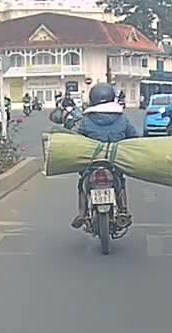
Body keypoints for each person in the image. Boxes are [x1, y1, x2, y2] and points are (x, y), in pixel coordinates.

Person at [71, 82, 140, 229]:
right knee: (120, 182)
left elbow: (76, 139)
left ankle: (82, 214)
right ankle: (123, 210)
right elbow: (134, 136)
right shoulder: (122, 118)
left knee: (82, 185)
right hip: (115, 162)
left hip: (92, 163)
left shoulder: (86, 120)